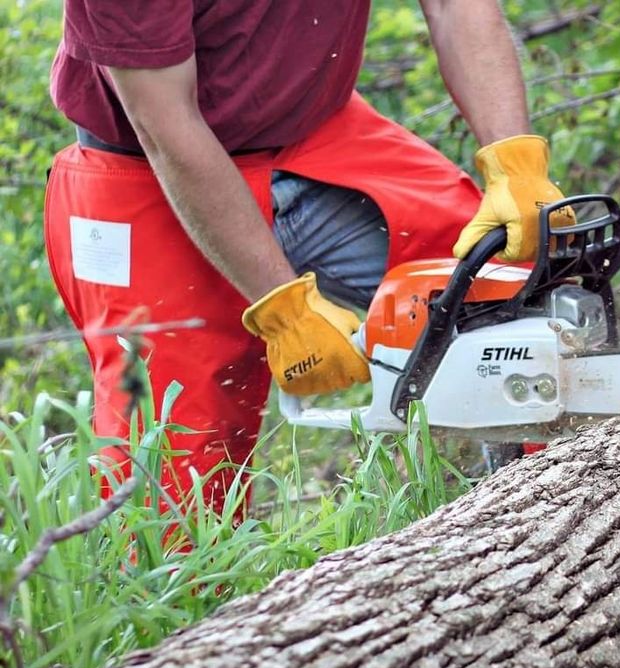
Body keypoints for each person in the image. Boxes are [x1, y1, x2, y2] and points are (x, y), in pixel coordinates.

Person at [44, 1, 573, 515]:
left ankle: (549, 513)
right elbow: (164, 126)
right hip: (149, 168)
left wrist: (514, 162)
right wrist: (283, 308)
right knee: (171, 469)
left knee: (512, 296)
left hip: (317, 128)